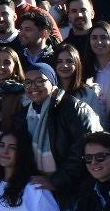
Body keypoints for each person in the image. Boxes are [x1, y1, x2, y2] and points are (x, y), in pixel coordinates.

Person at [17, 62, 99, 200]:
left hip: (75, 189)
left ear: (53, 83)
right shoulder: (24, 115)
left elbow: (84, 149)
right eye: (28, 82)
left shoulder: (73, 108)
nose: (33, 87)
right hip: (42, 190)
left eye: (39, 81)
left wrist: (56, 181)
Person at [53, 42, 105, 123]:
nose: (65, 65)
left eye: (69, 61)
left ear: (77, 64)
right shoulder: (50, 94)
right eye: (59, 61)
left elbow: (100, 125)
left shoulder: (89, 94)